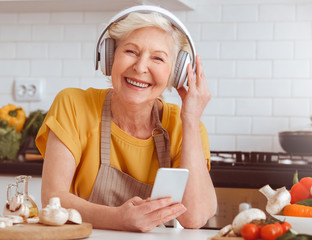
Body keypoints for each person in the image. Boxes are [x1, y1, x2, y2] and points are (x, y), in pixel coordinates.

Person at [36, 5, 217, 232]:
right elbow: (53, 200)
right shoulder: (73, 105)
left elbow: (195, 218)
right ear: (110, 56)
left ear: (176, 73)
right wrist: (118, 218)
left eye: (158, 59)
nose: (140, 67)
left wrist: (190, 118)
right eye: (131, 51)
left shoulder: (185, 126)